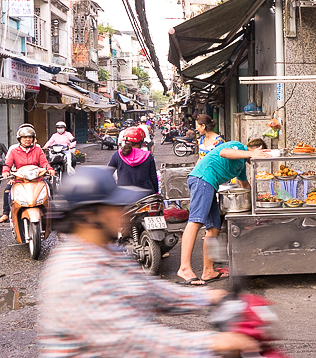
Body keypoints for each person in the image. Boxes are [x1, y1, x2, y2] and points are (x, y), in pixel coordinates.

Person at [37, 166, 259, 357]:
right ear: (89, 216)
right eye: (115, 208)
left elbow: (147, 290)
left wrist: (208, 297)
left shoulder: (107, 252)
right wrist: (211, 343)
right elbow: (132, 339)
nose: (123, 213)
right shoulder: (74, 274)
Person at [178, 138, 271, 286]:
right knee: (195, 221)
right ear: (256, 148)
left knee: (214, 227)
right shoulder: (237, 146)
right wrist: (252, 153)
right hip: (202, 179)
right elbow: (224, 152)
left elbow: (245, 185)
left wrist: (258, 200)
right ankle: (184, 268)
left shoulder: (240, 166)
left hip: (210, 185)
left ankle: (208, 271)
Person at [0, 125, 54, 223]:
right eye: (25, 137)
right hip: (20, 179)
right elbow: (7, 164)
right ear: (19, 139)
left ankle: (51, 212)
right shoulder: (13, 151)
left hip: (37, 178)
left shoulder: (38, 150)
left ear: (33, 139)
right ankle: (6, 213)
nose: (27, 139)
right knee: (7, 190)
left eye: (30, 137)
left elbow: (44, 163)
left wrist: (49, 169)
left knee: (49, 187)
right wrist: (5, 172)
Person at [108, 127, 158, 194]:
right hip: (145, 195)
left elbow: (108, 173)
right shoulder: (148, 156)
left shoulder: (118, 155)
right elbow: (153, 177)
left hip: (123, 195)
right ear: (140, 141)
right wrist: (156, 192)